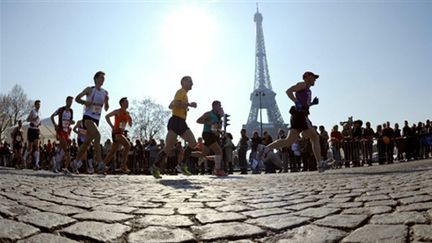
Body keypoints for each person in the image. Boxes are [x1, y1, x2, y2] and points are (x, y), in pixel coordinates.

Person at [266, 71, 328, 172]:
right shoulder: (302, 84)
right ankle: (320, 164)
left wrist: (311, 104)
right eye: (313, 77)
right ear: (307, 77)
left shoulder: (308, 90)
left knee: (289, 141)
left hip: (299, 115)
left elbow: (303, 104)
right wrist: (296, 101)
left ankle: (266, 148)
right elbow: (288, 91)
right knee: (315, 137)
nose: (315, 79)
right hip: (300, 115)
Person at [151, 76, 198, 179]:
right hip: (176, 121)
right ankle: (155, 167)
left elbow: (172, 105)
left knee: (192, 143)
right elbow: (176, 103)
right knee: (168, 148)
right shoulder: (180, 91)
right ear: (184, 82)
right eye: (190, 81)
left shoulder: (184, 94)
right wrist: (189, 104)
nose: (192, 84)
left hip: (179, 121)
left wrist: (183, 106)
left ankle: (181, 165)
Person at [72, 71, 109, 173]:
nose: (103, 79)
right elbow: (77, 98)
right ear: (96, 79)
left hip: (96, 120)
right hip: (87, 118)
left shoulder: (105, 92)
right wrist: (85, 102)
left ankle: (75, 162)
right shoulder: (89, 89)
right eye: (101, 77)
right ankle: (100, 163)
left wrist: (107, 101)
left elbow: (106, 108)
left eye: (104, 78)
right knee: (97, 135)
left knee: (86, 143)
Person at [196, 100, 226, 176]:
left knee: (204, 153)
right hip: (207, 134)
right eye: (219, 105)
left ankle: (187, 153)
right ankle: (217, 170)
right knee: (219, 152)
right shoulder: (209, 114)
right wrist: (208, 122)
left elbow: (216, 128)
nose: (220, 107)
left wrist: (220, 131)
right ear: (214, 106)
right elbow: (198, 120)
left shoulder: (218, 117)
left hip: (214, 135)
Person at [102, 97, 132, 174]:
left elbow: (130, 124)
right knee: (127, 145)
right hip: (116, 132)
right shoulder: (118, 111)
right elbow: (107, 116)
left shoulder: (127, 113)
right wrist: (112, 126)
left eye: (128, 102)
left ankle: (101, 167)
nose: (127, 103)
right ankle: (123, 165)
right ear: (122, 103)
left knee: (112, 152)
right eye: (126, 102)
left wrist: (130, 119)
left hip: (120, 133)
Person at [50, 96, 75, 174]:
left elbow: (71, 121)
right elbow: (52, 116)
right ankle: (61, 167)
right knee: (66, 150)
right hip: (60, 130)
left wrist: (72, 122)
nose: (70, 103)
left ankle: (57, 163)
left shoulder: (71, 111)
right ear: (66, 101)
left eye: (71, 102)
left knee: (62, 149)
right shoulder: (60, 109)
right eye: (69, 101)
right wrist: (55, 125)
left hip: (66, 132)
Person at [25, 100, 41, 170]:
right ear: (35, 105)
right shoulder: (33, 111)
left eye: (39, 105)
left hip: (36, 129)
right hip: (31, 129)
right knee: (29, 148)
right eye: (37, 104)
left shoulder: (40, 113)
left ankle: (37, 164)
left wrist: (39, 123)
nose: (39, 106)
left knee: (37, 147)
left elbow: (38, 120)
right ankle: (24, 158)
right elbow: (27, 119)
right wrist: (34, 118)